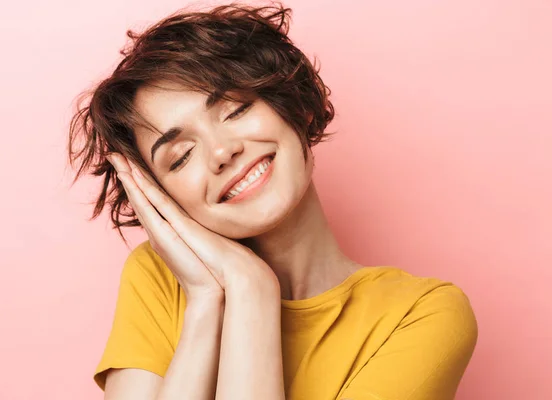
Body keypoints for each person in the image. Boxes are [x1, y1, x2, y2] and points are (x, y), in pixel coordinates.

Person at [67, 3, 478, 399]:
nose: (222, 152)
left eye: (235, 110)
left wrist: (251, 294)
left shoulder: (423, 313)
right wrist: (213, 299)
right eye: (182, 156)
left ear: (296, 106)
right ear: (161, 197)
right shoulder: (158, 279)